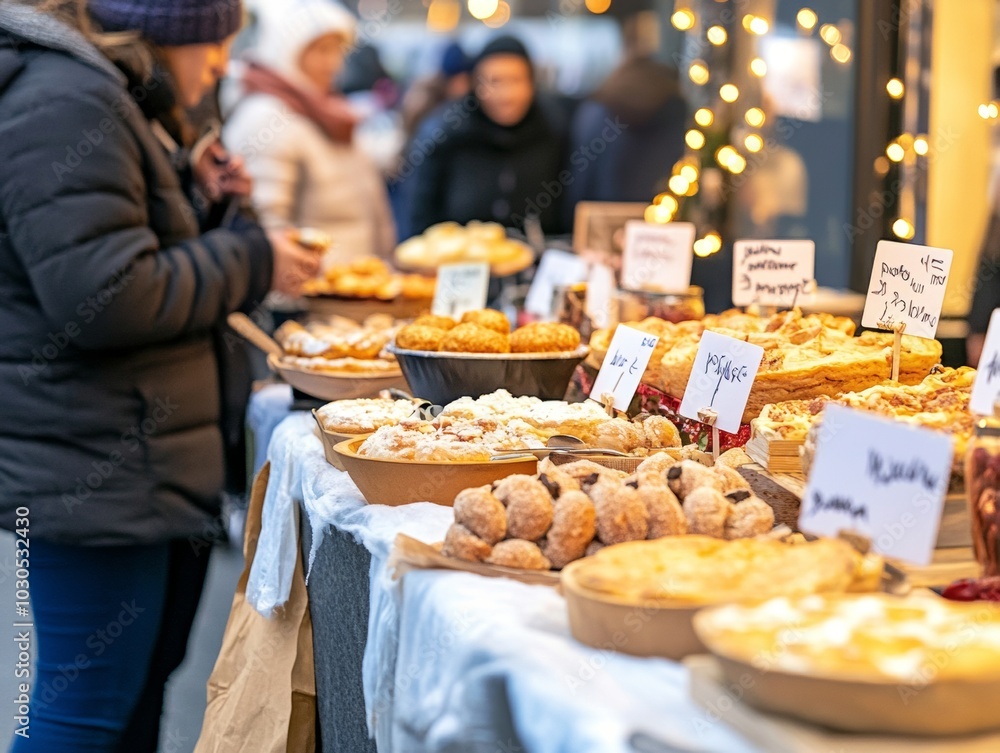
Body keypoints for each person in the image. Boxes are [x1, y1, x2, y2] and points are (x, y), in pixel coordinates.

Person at [0, 1, 321, 750]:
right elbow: (108, 294)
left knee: (126, 701)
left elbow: (111, 248)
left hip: (132, 459)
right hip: (92, 466)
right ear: (166, 32)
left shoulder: (101, 98)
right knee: (84, 711)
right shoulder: (65, 100)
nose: (219, 65)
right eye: (215, 44)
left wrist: (201, 203)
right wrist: (254, 258)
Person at [224, 0, 396, 262]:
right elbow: (265, 228)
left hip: (359, 289)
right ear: (289, 51)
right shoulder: (266, 118)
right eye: (321, 50)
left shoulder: (334, 112)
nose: (333, 64)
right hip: (311, 295)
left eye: (338, 50)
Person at [406, 36, 569, 236]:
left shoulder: (553, 131)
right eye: (494, 81)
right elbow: (417, 216)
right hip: (456, 262)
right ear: (475, 84)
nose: (506, 95)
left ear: (532, 83)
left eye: (516, 80)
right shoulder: (446, 133)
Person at [564, 55, 687, 224]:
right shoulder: (674, 115)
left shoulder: (596, 111)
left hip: (595, 223)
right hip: (656, 226)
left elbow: (580, 183)